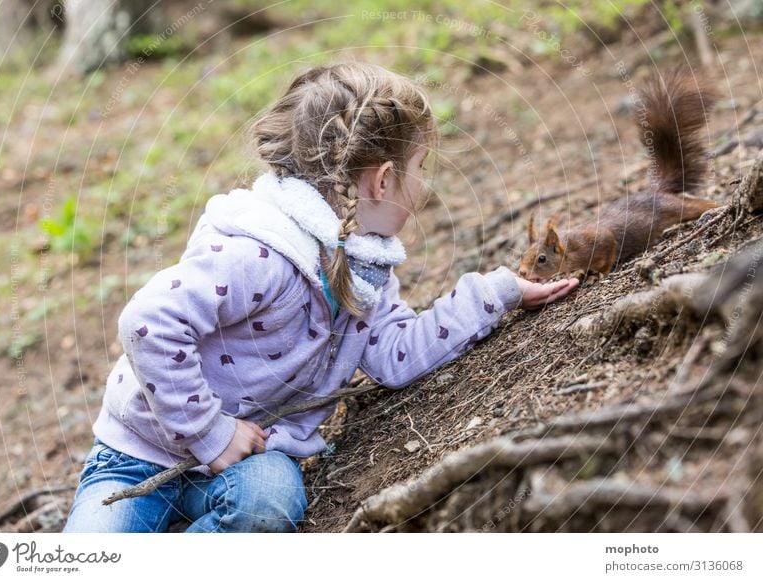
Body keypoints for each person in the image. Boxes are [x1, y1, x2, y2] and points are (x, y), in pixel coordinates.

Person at [62, 61, 578, 533]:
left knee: (271, 504)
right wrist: (210, 433)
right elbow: (147, 324)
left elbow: (394, 356)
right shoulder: (258, 255)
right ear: (382, 180)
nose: (422, 189)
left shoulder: (365, 268)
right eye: (420, 168)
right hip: (138, 455)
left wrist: (499, 292)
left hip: (250, 459)